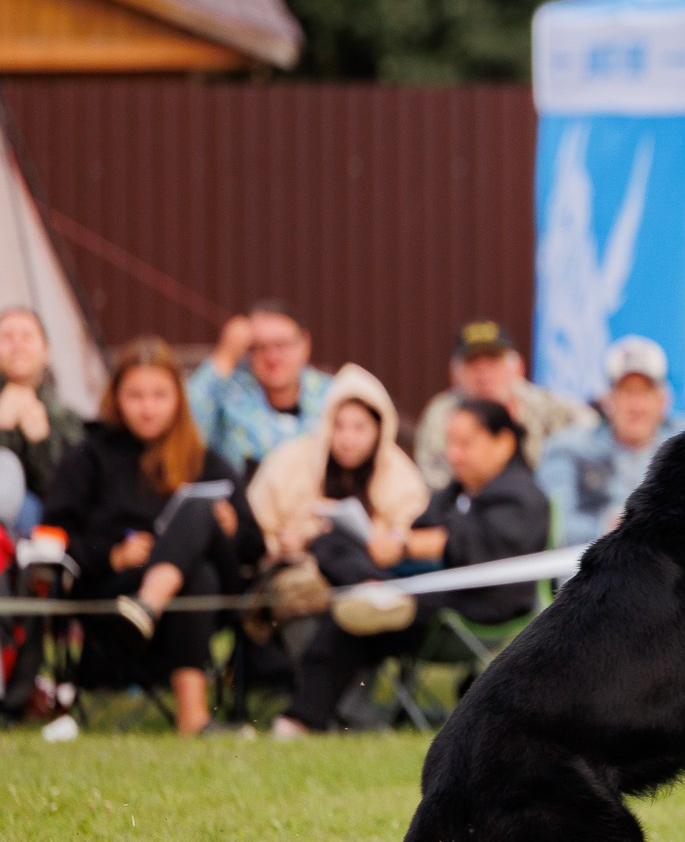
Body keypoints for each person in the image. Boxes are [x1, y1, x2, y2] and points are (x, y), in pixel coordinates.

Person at [273, 398, 550, 735]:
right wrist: (382, 541)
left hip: (480, 604)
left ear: (503, 442)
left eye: (465, 444)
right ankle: (370, 588)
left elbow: (480, 547)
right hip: (420, 590)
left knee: (358, 616)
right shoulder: (454, 492)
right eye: (451, 443)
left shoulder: (524, 495)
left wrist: (406, 544)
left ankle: (303, 717)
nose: (454, 454)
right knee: (334, 552)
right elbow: (418, 530)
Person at [41, 337, 264, 735]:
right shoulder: (88, 457)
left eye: (159, 395)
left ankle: (150, 602)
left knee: (201, 510)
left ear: (178, 398)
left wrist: (230, 529)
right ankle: (193, 718)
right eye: (136, 395)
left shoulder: (205, 461)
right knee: (199, 577)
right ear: (116, 397)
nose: (148, 408)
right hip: (115, 596)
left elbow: (254, 547)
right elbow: (56, 534)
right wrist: (111, 555)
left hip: (200, 606)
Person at [245, 363, 430, 578]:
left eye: (359, 427)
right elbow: (255, 527)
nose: (347, 439)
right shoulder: (290, 462)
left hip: (381, 570)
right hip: (303, 578)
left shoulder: (399, 473)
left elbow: (412, 531)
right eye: (339, 426)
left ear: (380, 429)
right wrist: (285, 543)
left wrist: (383, 539)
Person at [413, 320, 596, 489]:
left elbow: (594, 429)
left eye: (493, 361)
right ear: (455, 376)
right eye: (473, 363)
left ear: (518, 368)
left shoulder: (544, 405)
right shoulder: (442, 416)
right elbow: (434, 482)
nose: (483, 374)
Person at [537, 336, 675, 546]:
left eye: (645, 393)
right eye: (627, 392)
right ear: (608, 399)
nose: (636, 406)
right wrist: (605, 527)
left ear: (663, 401)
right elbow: (552, 524)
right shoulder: (570, 449)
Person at [185, 301, 333, 474]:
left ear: (305, 344)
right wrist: (224, 358)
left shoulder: (332, 396)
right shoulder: (229, 394)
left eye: (282, 345)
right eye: (260, 347)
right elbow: (184, 430)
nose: (272, 357)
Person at [0, 306, 86, 529]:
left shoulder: (65, 418)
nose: (17, 345)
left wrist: (40, 444)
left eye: (27, 336)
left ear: (46, 351)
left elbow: (71, 492)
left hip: (45, 527)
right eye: (7, 337)